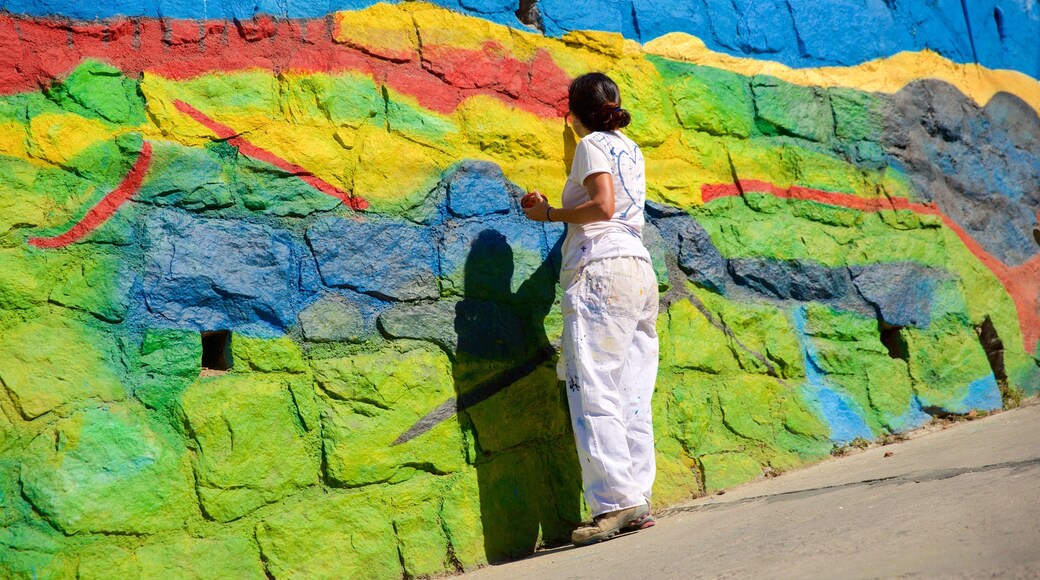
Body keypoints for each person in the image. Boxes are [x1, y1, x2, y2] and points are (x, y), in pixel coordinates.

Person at [522, 72, 659, 546]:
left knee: (594, 387)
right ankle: (636, 494)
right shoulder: (632, 148)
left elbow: (602, 206)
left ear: (574, 113)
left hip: (600, 271)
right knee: (632, 388)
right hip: (639, 270)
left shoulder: (591, 145)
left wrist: (550, 214)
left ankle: (616, 502)